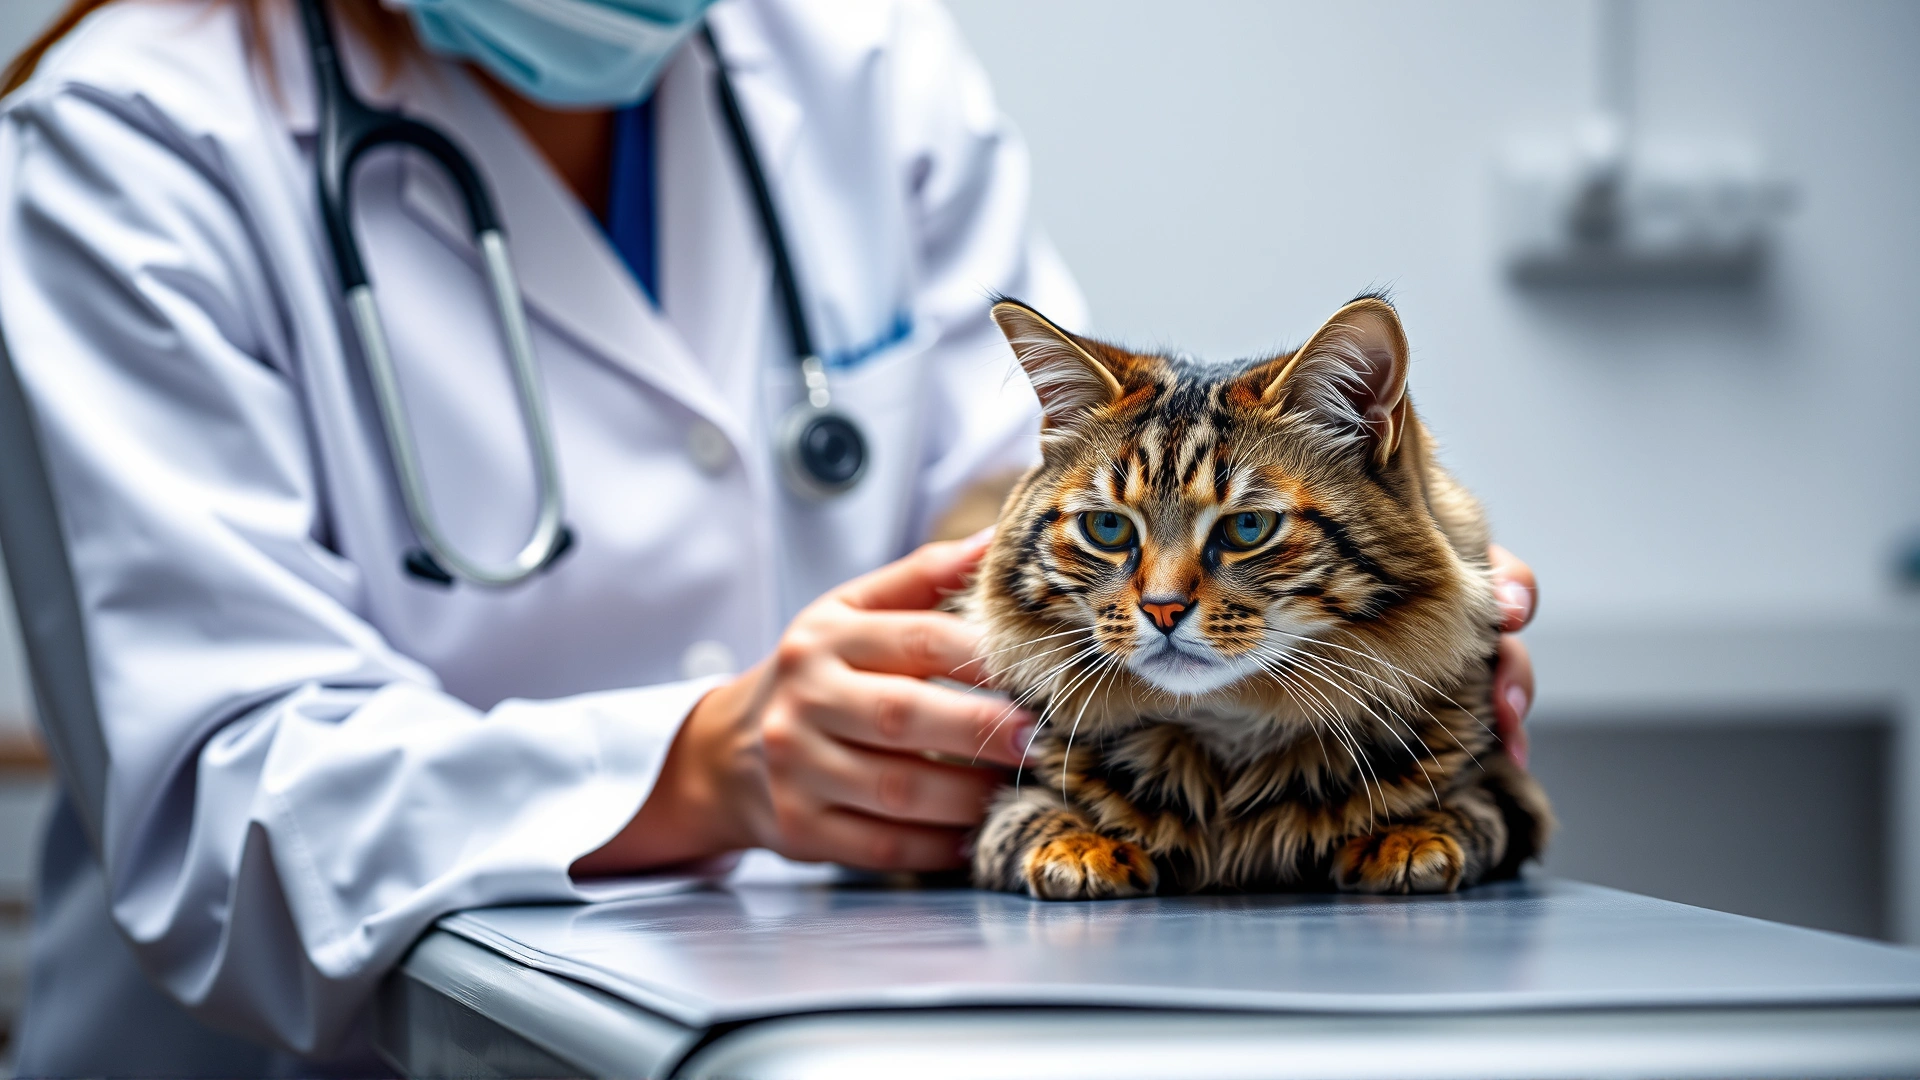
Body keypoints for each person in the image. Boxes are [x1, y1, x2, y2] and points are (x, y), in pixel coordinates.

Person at [0, 0, 1541, 1074]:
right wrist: (711, 762)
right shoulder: (125, 142)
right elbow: (215, 809)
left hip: (830, 1032)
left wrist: (1331, 679)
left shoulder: (853, 50)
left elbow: (1018, 487)